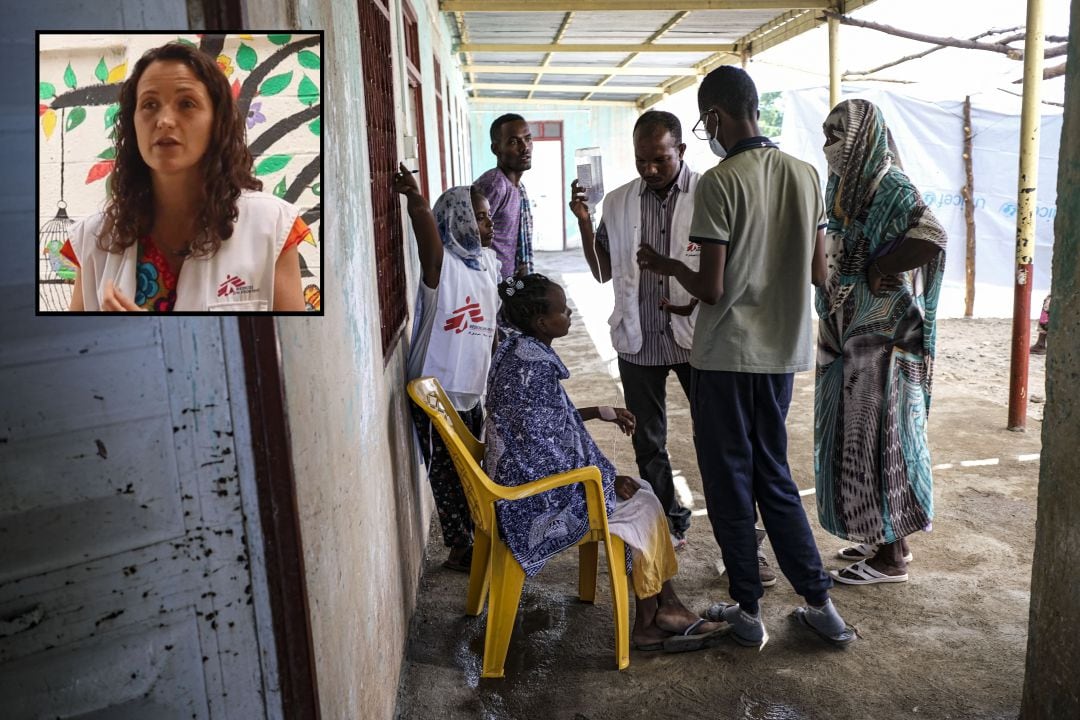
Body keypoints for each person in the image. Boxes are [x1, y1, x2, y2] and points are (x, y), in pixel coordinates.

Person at [637, 66, 854, 648]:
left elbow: (710, 289)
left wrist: (671, 269)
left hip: (726, 357)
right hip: (781, 355)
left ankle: (748, 611)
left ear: (712, 119)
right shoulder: (807, 175)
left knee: (730, 480)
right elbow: (816, 272)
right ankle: (820, 604)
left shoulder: (719, 181)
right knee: (774, 475)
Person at [569, 110, 776, 583]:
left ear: (681, 150)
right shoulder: (619, 203)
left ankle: (741, 547)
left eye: (660, 159)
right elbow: (603, 269)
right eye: (642, 160)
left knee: (721, 442)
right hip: (638, 340)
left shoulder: (711, 191)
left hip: (700, 341)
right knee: (648, 442)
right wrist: (584, 221)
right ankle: (668, 527)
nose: (650, 169)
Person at [485, 274, 725, 653]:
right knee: (642, 504)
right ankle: (654, 618)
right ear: (541, 323)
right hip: (528, 500)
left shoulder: (517, 351)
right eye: (562, 311)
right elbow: (543, 448)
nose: (569, 315)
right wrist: (604, 481)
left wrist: (600, 411)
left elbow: (545, 421)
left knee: (641, 494)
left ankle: (663, 610)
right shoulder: (530, 366)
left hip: (518, 477)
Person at [62, 41, 308, 311]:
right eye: (150, 104)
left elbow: (294, 350)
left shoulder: (274, 226)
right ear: (133, 123)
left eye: (186, 103)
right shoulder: (93, 239)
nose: (165, 120)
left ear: (217, 122)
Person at [815, 99, 948, 586]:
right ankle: (878, 531)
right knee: (853, 435)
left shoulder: (889, 185)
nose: (829, 144)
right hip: (849, 332)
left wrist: (879, 266)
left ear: (862, 138)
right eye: (826, 134)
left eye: (837, 135)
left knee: (881, 435)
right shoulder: (844, 187)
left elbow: (932, 235)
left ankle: (893, 555)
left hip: (885, 339)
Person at [394, 166, 499, 572]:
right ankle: (459, 547)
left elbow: (493, 318)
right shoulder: (442, 266)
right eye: (480, 215)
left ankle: (476, 534)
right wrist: (417, 200)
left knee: (473, 468)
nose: (488, 223)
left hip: (472, 387)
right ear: (458, 220)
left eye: (488, 215)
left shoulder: (488, 264)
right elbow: (428, 242)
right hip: (436, 390)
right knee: (447, 474)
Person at [473, 113, 534, 279]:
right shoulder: (495, 185)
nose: (525, 147)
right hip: (488, 283)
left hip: (509, 283)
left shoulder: (517, 187)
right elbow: (469, 236)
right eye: (514, 142)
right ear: (496, 149)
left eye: (528, 139)